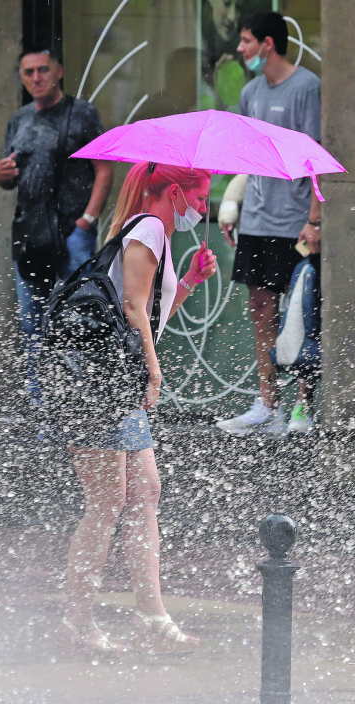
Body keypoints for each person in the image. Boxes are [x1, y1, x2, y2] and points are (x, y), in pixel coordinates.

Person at [59, 162, 217, 656]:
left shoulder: (156, 236)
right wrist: (153, 370)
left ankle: (151, 615)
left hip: (113, 386)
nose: (203, 208)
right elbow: (131, 309)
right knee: (107, 502)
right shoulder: (147, 229)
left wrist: (188, 281)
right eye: (201, 198)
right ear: (176, 193)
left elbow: (150, 313)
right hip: (100, 387)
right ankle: (77, 621)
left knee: (144, 492)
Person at [215, 11, 321, 435]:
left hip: (294, 223)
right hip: (257, 221)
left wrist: (314, 220)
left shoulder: (307, 87)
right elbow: (249, 159)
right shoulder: (251, 92)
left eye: (245, 41)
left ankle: (302, 407)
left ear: (268, 44)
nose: (240, 49)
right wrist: (231, 204)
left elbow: (316, 160)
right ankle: (267, 404)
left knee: (302, 314)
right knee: (261, 310)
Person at [0, 47, 113, 412]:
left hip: (72, 234)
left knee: (83, 318)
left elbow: (104, 170)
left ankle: (87, 402)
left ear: (58, 71)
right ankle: (41, 404)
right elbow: (8, 179)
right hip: (31, 235)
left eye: (43, 70)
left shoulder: (81, 113)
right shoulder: (19, 119)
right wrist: (2, 176)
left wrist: (86, 221)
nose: (36, 78)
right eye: (28, 72)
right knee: (32, 323)